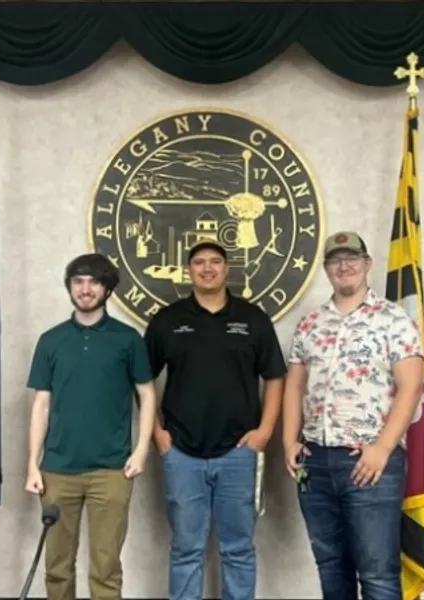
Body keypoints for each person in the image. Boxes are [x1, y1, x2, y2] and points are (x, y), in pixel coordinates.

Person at [282, 231, 424, 600]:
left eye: (352, 259)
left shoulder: (394, 320)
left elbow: (410, 388)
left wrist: (382, 448)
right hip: (315, 462)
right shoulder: (310, 324)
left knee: (377, 573)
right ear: (326, 269)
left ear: (367, 265)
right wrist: (288, 441)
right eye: (335, 260)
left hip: (369, 461)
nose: (344, 266)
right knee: (331, 567)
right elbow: (295, 385)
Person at [143, 239, 287, 600]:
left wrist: (264, 432)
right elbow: (141, 380)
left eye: (215, 262)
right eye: (199, 263)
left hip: (239, 452)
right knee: (186, 548)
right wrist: (156, 433)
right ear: (189, 271)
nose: (207, 268)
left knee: (237, 549)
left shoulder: (252, 319)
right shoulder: (168, 320)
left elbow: (275, 377)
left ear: (226, 268)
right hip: (181, 453)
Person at [25, 253, 157, 600]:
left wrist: (141, 450)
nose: (85, 289)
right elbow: (41, 404)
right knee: (57, 567)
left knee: (106, 568)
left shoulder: (128, 340)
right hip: (57, 470)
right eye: (78, 282)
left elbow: (147, 394)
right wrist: (32, 464)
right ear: (70, 287)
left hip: (112, 471)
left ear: (107, 288)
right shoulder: (51, 340)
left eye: (94, 282)